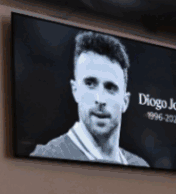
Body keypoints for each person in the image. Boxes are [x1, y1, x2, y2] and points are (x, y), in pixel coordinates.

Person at [31, 31, 149, 167]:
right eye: (90, 84)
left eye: (110, 87)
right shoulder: (45, 156)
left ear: (125, 101)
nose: (100, 99)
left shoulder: (140, 165)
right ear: (75, 91)